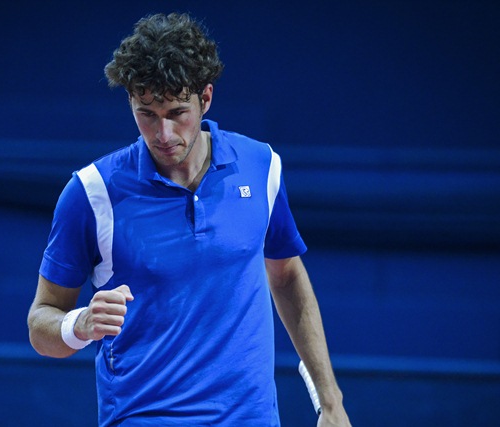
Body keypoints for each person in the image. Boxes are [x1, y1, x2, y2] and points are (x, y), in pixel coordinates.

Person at [28, 12, 351, 427]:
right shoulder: (91, 193)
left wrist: (330, 401)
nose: (163, 134)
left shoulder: (261, 166)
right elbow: (41, 324)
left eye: (177, 112)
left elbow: (286, 276)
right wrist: (80, 324)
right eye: (147, 113)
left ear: (206, 98)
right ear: (130, 102)